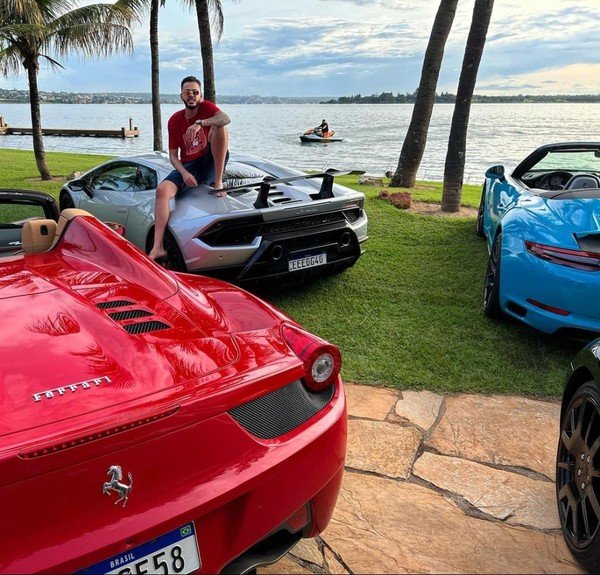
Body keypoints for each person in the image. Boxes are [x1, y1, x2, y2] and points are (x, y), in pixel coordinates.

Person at [148, 75, 231, 261]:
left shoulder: (206, 108)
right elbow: (172, 156)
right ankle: (158, 246)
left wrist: (200, 123)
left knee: (220, 125)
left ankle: (218, 181)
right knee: (162, 191)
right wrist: (184, 173)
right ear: (182, 96)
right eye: (187, 92)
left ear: (200, 96)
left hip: (210, 159)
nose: (191, 95)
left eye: (195, 92)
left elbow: (226, 118)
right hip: (189, 165)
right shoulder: (174, 120)